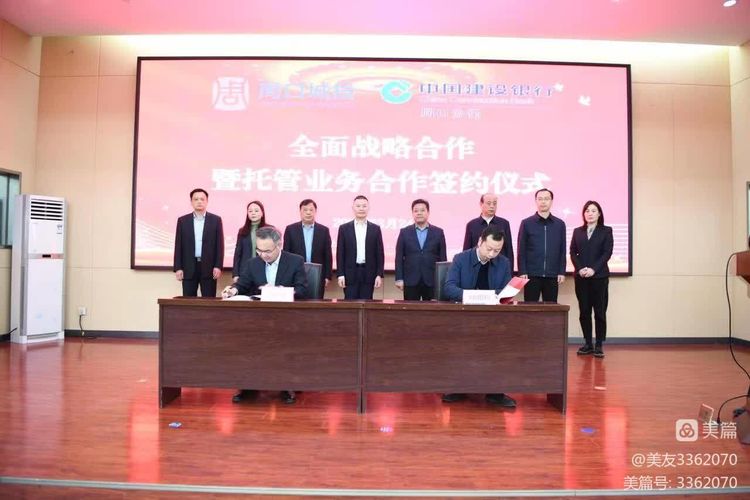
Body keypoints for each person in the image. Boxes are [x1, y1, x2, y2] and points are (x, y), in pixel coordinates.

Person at [222, 226, 308, 404]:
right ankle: (247, 384)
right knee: (243, 338)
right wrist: (232, 290)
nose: (263, 255)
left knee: (282, 342)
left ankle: (285, 385)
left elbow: (301, 289)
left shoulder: (295, 261)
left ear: (279, 245)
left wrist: (279, 291)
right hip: (258, 318)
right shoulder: (253, 263)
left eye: (267, 251)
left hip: (287, 318)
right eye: (259, 250)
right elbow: (242, 284)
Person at [441, 226, 516, 407]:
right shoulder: (461, 259)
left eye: (497, 251)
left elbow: (505, 292)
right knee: (460, 342)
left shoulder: (504, 263)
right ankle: (458, 387)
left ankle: (495, 392)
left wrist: (495, 296)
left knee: (501, 342)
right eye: (489, 249)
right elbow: (449, 288)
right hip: (464, 315)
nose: (492, 254)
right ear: (480, 242)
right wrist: (473, 296)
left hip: (492, 317)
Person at [570, 201, 613, 358]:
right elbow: (573, 252)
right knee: (584, 311)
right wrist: (580, 268)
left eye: (593, 211)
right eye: (587, 210)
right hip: (581, 277)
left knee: (600, 311)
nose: (590, 213)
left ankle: (599, 344)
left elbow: (607, 253)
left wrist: (593, 269)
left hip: (599, 277)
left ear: (599, 213)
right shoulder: (577, 231)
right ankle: (588, 343)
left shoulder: (606, 231)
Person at [518, 188, 567, 303]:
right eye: (540, 199)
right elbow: (521, 249)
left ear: (551, 201)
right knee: (530, 308)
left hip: (552, 274)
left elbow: (562, 250)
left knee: (551, 309)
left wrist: (561, 271)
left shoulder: (559, 224)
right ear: (536, 201)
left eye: (546, 199)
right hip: (531, 274)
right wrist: (522, 271)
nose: (543, 202)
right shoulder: (527, 223)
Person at [173, 188, 224, 297]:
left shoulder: (216, 220)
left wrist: (218, 266)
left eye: (202, 199)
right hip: (188, 267)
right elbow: (178, 245)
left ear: (207, 201)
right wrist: (178, 267)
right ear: (191, 202)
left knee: (209, 301)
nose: (199, 201)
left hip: (209, 268)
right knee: (188, 302)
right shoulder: (183, 221)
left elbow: (220, 245)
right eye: (196, 199)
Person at [394, 199, 447, 300]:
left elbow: (443, 258)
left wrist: (442, 280)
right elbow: (399, 257)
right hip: (410, 280)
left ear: (428, 212)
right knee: (411, 309)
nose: (419, 213)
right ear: (412, 213)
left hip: (432, 280)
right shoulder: (404, 232)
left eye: (422, 210)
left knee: (432, 309)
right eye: (416, 210)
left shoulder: (438, 232)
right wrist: (399, 278)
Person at [336, 195, 384, 300]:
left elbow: (379, 253)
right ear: (353, 208)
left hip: (369, 273)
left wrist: (379, 274)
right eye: (358, 206)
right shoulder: (344, 228)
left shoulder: (375, 229)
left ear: (368, 208)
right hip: (349, 274)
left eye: (364, 206)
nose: (361, 208)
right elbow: (340, 253)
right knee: (350, 304)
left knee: (367, 304)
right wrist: (340, 274)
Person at [283, 199, 333, 293]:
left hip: (317, 273)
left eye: (311, 210)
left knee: (316, 300)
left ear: (315, 211)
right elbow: (286, 253)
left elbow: (327, 255)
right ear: (300, 212)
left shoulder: (324, 230)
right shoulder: (290, 229)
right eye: (305, 210)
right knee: (297, 299)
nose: (308, 212)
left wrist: (327, 276)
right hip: (296, 273)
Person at [463, 193, 514, 270]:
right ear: (481, 204)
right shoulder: (472, 225)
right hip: (476, 267)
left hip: (499, 268)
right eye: (489, 203)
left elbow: (508, 250)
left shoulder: (504, 223)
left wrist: (510, 271)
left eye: (494, 203)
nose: (492, 206)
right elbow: (466, 250)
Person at [232, 200, 268, 283]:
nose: (253, 213)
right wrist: (235, 274)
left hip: (264, 269)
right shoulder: (242, 231)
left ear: (262, 213)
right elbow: (238, 254)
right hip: (245, 270)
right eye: (250, 211)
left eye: (256, 211)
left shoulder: (269, 229)